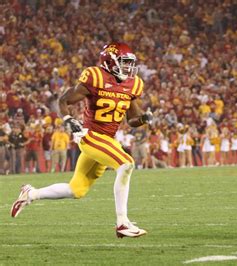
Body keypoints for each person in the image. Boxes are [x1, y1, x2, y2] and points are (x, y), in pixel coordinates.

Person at [10, 43, 152, 238]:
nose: (128, 68)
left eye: (130, 63)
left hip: (108, 140)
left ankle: (30, 194)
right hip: (92, 136)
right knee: (126, 164)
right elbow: (64, 100)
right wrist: (68, 119)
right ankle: (122, 223)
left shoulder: (133, 84)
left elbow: (132, 120)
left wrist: (144, 118)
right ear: (110, 61)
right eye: (124, 62)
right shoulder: (95, 76)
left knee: (76, 190)